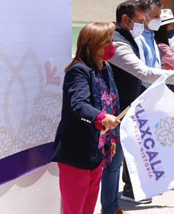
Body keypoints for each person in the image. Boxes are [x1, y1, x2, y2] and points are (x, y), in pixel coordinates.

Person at [106, 0, 174, 206]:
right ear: (126, 19)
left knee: (120, 159)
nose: (145, 24)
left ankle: (113, 204)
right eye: (141, 21)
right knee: (114, 163)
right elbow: (144, 72)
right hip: (117, 109)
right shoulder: (118, 41)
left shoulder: (133, 36)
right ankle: (111, 204)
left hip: (130, 105)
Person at [52, 22, 121, 214]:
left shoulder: (105, 68)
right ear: (92, 44)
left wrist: (111, 137)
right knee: (74, 209)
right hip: (77, 150)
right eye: (106, 42)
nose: (111, 46)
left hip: (98, 148)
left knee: (89, 207)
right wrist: (102, 118)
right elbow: (79, 105)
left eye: (111, 41)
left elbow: (111, 101)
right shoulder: (78, 71)